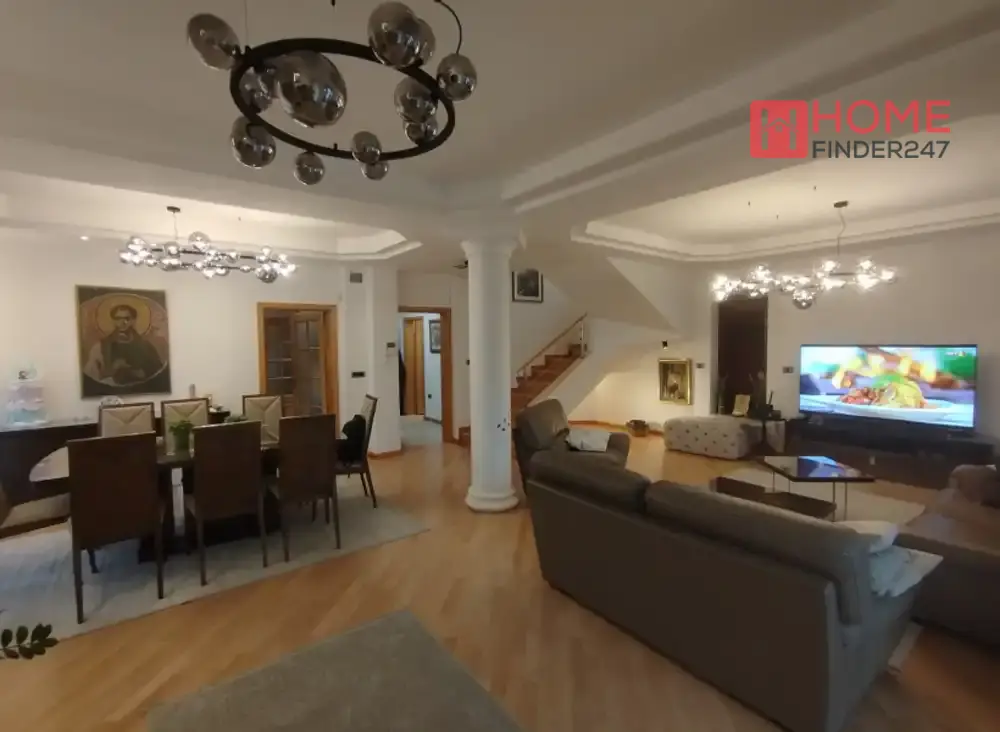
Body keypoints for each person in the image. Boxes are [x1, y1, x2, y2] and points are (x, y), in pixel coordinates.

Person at [83, 304, 164, 386]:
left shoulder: (146, 346)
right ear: (113, 320)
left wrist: (137, 372)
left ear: (133, 320)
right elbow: (92, 376)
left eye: (127, 318)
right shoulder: (100, 346)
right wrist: (113, 369)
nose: (122, 322)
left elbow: (158, 373)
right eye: (118, 318)